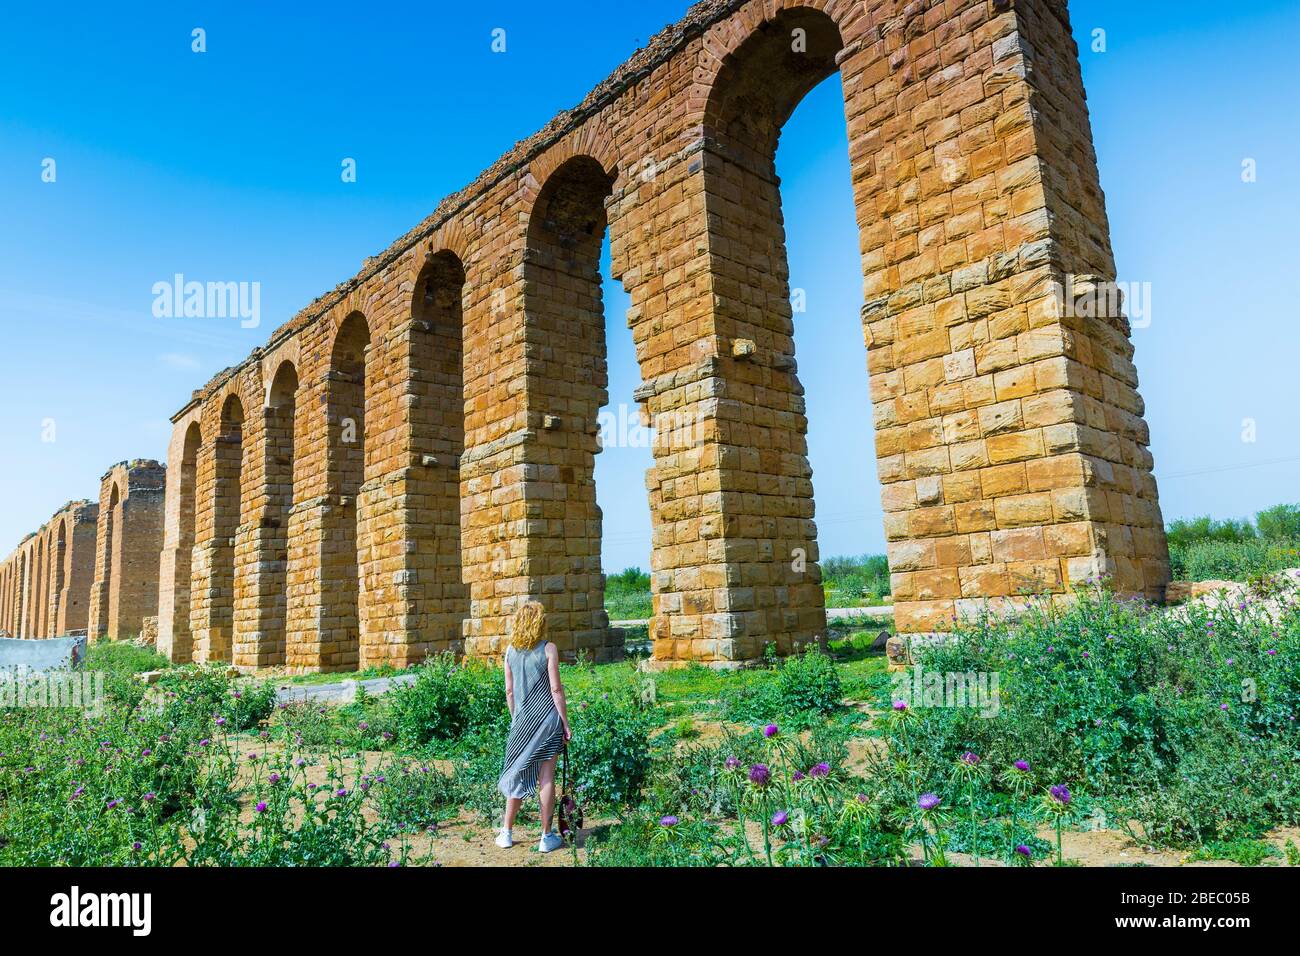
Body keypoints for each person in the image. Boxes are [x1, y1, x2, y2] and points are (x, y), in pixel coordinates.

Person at [496, 600, 571, 852]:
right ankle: (546, 837)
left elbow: (509, 691)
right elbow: (556, 690)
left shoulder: (510, 651)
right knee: (546, 778)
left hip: (522, 721)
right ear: (540, 623)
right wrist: (565, 722)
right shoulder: (549, 649)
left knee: (516, 772)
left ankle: (506, 833)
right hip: (548, 720)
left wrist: (517, 719)